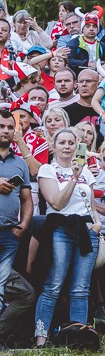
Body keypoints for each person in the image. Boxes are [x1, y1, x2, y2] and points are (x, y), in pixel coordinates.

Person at [34, 128, 102, 346]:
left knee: (81, 288)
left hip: (86, 229)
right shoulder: (47, 170)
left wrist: (97, 223)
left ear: (77, 146)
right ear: (53, 146)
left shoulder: (87, 172)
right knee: (53, 285)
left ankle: (77, 338)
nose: (67, 146)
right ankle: (41, 339)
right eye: (62, 142)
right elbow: (56, 203)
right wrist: (73, 177)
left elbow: (91, 204)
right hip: (61, 228)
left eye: (71, 143)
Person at [0, 111, 33, 323]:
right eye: (1, 126)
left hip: (9, 234)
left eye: (10, 127)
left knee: (3, 286)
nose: (6, 131)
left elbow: (27, 200)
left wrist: (23, 225)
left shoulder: (20, 164)